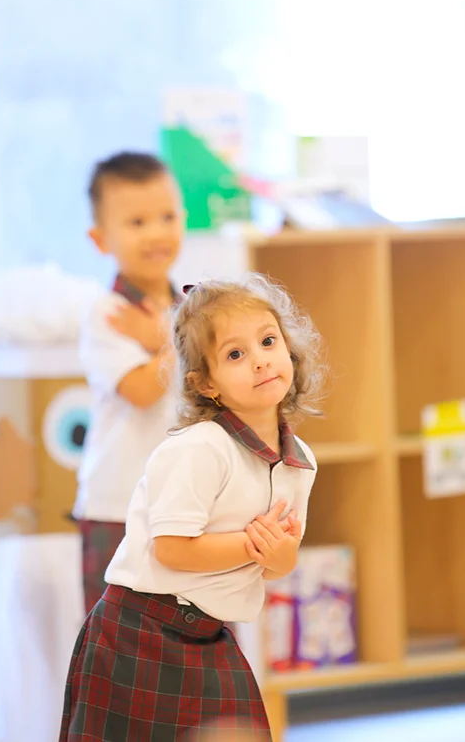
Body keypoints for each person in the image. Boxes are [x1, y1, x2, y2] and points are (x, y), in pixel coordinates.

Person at [60, 274, 323, 741]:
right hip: (138, 629)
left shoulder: (299, 461)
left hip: (207, 632)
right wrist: (250, 545)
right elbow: (173, 550)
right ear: (206, 384)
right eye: (235, 354)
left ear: (289, 350)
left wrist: (276, 555)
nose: (260, 361)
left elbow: (280, 558)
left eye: (268, 341)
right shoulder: (201, 448)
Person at [73, 151, 184, 613]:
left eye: (167, 216)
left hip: (183, 503)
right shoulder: (109, 314)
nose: (157, 232)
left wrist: (165, 334)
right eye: (137, 222)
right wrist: (176, 341)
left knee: (196, 646)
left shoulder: (190, 308)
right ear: (101, 239)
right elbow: (141, 391)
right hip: (117, 507)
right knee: (119, 652)